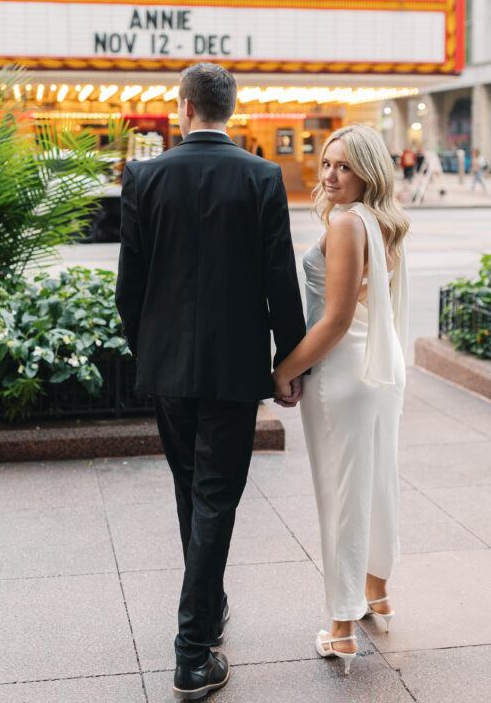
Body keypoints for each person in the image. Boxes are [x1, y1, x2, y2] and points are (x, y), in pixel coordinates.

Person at [116, 61, 305, 700]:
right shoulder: (262, 176)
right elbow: (279, 280)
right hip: (233, 368)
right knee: (215, 496)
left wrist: (152, 350)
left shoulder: (143, 175)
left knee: (192, 489)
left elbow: (129, 289)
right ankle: (193, 651)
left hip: (167, 366)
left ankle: (210, 606)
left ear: (184, 108)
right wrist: (289, 363)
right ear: (231, 109)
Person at [273, 124, 409, 676]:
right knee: (376, 483)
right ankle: (376, 591)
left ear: (368, 172)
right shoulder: (384, 220)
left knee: (342, 496)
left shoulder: (349, 223)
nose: (330, 175)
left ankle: (342, 627)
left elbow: (333, 321)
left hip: (346, 374)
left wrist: (283, 371)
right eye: (327, 163)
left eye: (344, 167)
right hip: (381, 366)